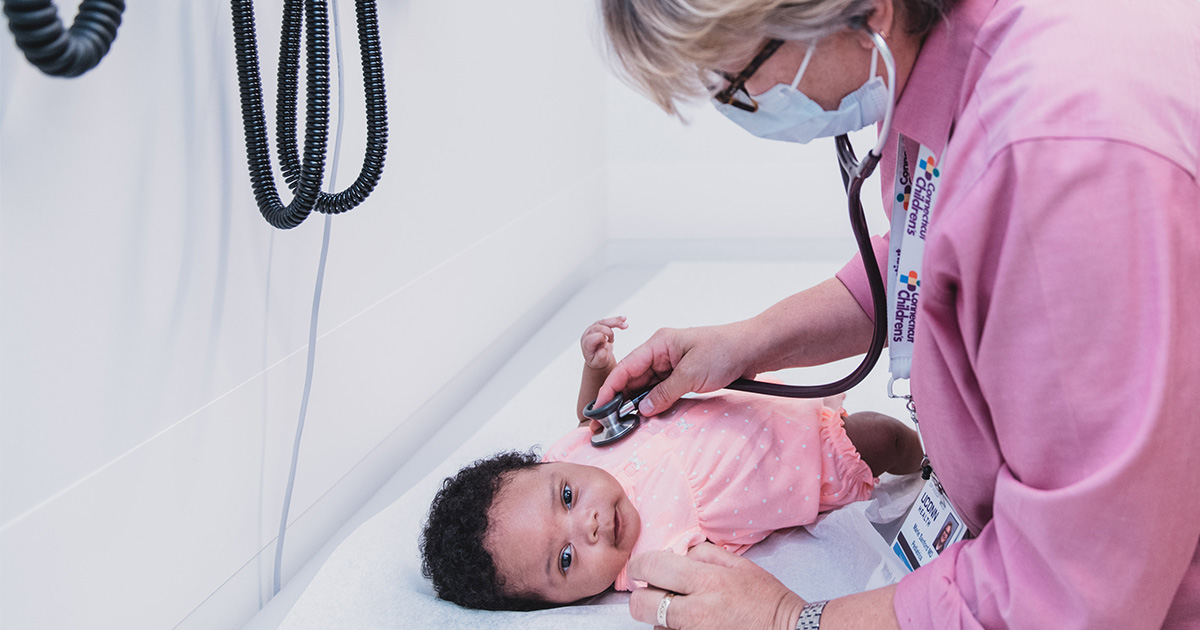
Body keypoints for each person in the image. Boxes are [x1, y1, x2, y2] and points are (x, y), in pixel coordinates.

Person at [594, 0, 1200, 628]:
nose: (736, 107)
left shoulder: (1057, 160)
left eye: (737, 82)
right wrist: (748, 342)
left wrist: (789, 620)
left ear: (868, 15)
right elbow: (932, 253)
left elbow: (1073, 587)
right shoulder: (960, 57)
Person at [419, 317, 923, 610]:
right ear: (561, 603)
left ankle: (933, 454)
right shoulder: (646, 564)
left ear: (551, 467)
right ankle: (930, 468)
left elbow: (589, 421)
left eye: (567, 497)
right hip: (803, 464)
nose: (588, 524)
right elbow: (700, 593)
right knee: (882, 436)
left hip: (758, 403)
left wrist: (597, 369)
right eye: (566, 559)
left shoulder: (568, 455)